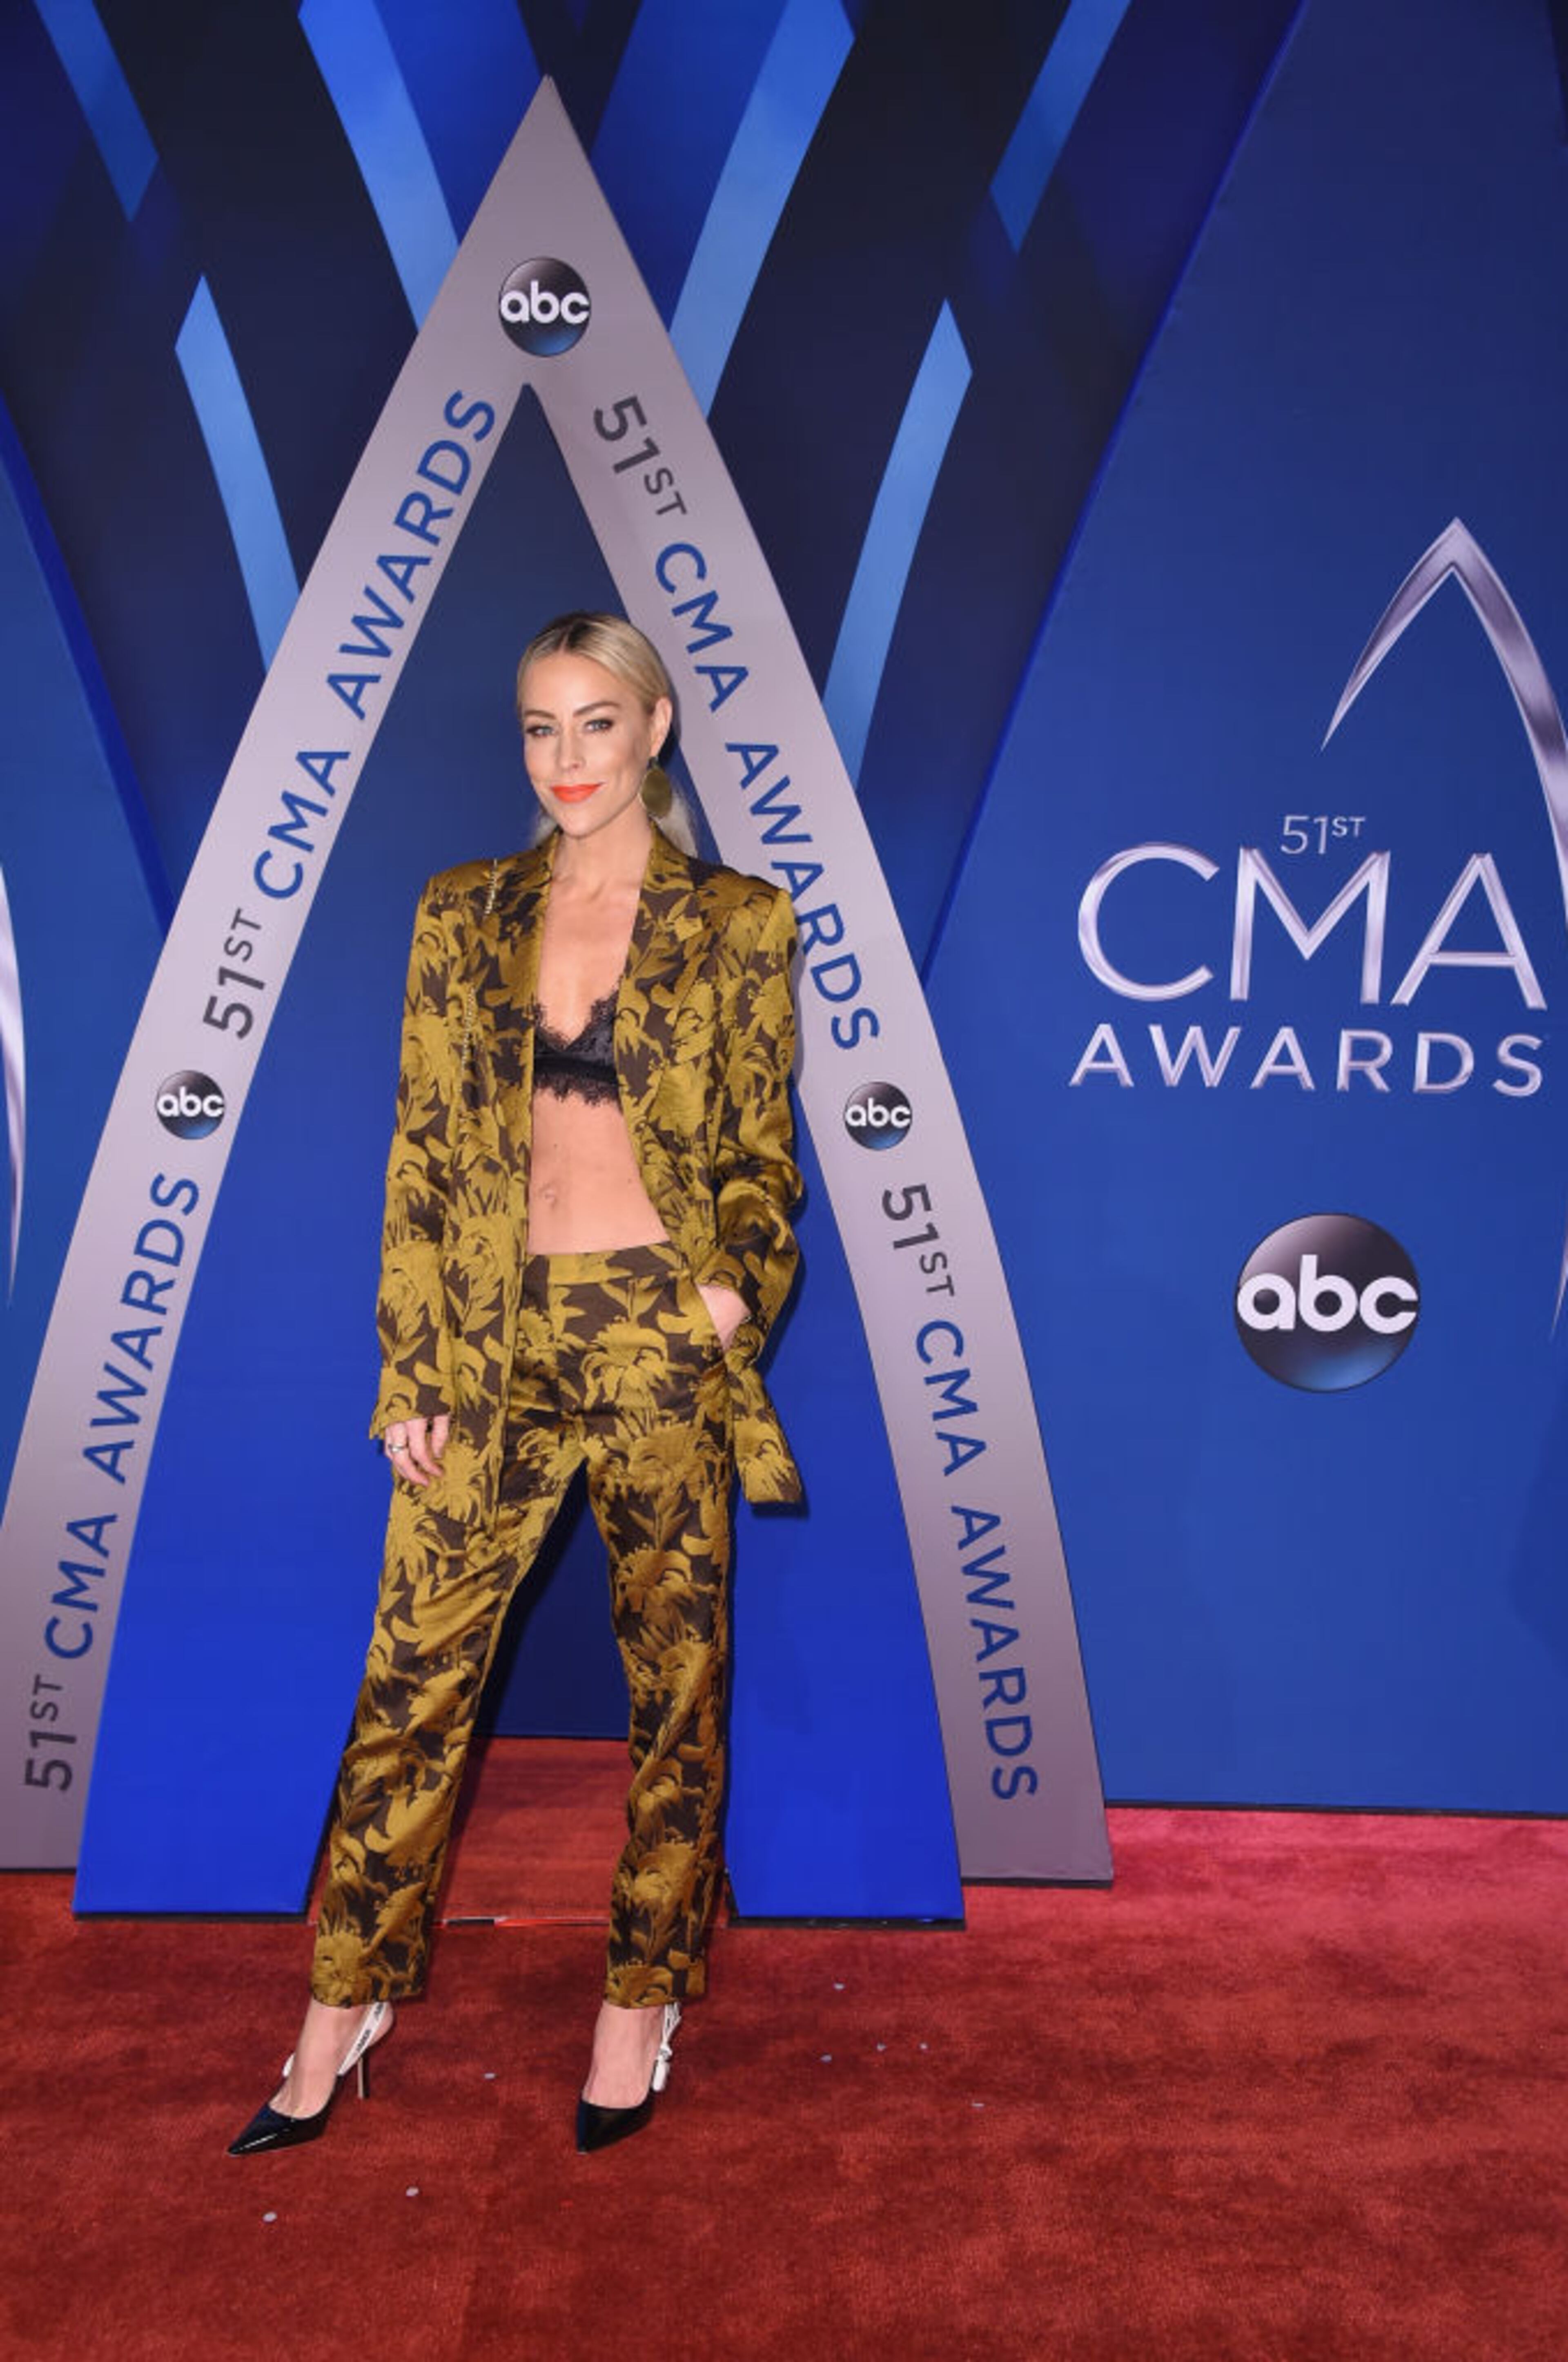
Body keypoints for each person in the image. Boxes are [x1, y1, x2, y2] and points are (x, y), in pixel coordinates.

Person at [229, 611, 801, 2158]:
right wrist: (410, 1365)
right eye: (540, 727)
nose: (566, 758)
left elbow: (762, 1165)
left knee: (675, 1685)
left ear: (654, 729)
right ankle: (340, 2007)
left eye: (596, 723)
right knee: (409, 1684)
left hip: (655, 1335)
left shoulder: (739, 921)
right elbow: (422, 1157)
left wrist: (728, 1292)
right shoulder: (461, 910)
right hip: (489, 1347)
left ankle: (640, 2001)